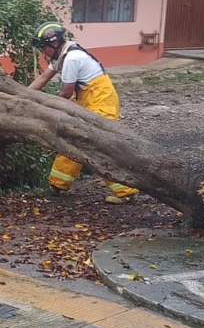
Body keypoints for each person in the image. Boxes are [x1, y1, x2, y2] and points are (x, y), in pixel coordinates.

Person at [27, 22, 139, 205]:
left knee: (100, 149)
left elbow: (66, 93)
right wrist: (22, 95)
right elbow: (43, 78)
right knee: (74, 142)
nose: (42, 52)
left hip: (101, 104)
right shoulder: (63, 55)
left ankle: (125, 191)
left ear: (54, 44)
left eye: (43, 48)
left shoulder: (72, 59)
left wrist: (48, 108)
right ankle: (58, 185)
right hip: (90, 103)